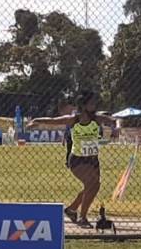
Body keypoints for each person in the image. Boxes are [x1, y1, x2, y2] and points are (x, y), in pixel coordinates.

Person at [28, 90, 116, 229]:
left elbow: (115, 121)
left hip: (93, 160)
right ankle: (83, 218)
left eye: (95, 102)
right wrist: (36, 121)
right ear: (83, 104)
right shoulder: (74, 119)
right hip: (77, 160)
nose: (94, 105)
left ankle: (72, 209)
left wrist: (117, 129)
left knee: (92, 186)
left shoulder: (97, 119)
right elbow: (53, 121)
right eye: (91, 102)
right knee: (93, 184)